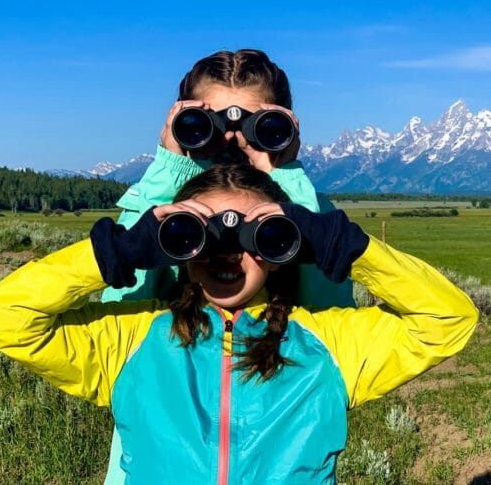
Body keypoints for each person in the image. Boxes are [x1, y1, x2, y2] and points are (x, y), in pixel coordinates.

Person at [0, 163, 479, 483]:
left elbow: (450, 319)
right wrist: (123, 249)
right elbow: (2, 316)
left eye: (255, 239)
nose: (228, 255)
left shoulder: (328, 345)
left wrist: (338, 243)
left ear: (279, 250)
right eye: (202, 236)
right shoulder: (131, 340)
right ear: (174, 245)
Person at [101, 48, 355, 483]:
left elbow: (332, 320)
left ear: (284, 126)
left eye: (258, 127)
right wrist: (169, 174)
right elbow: (121, 296)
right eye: (209, 124)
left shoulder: (308, 213)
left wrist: (287, 180)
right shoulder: (163, 210)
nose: (231, 142)